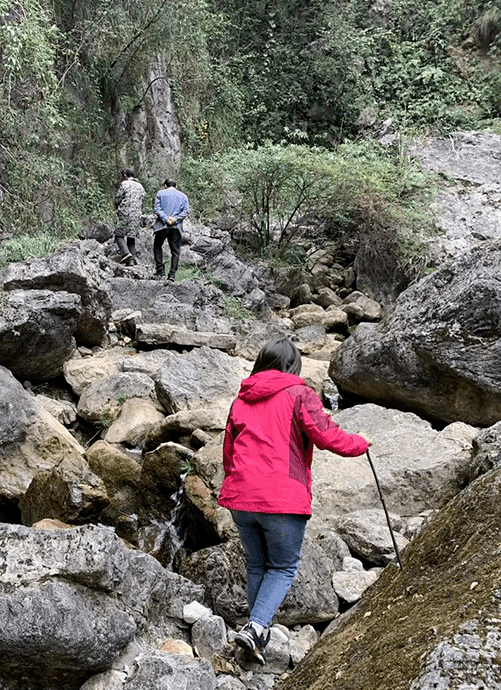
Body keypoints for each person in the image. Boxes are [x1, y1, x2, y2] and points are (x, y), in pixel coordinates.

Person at [218, 338, 370, 665]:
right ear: (293, 365)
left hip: (241, 498)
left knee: (258, 564)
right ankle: (257, 626)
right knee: (284, 567)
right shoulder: (299, 393)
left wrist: (237, 484)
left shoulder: (240, 400)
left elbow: (228, 452)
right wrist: (361, 443)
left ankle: (254, 636)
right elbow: (327, 435)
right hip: (281, 499)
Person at [153, 178, 189, 280]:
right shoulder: (183, 196)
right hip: (176, 227)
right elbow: (186, 212)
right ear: (176, 186)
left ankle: (160, 271)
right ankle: (172, 275)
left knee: (157, 247)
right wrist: (175, 219)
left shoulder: (160, 193)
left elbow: (157, 209)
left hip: (162, 226)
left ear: (165, 185)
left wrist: (165, 218)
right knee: (175, 252)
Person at [114, 168, 145, 265]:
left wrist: (116, 206)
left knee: (119, 235)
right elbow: (142, 198)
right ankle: (131, 260)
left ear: (124, 175)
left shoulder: (124, 184)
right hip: (136, 214)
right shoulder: (140, 186)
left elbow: (118, 198)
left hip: (125, 213)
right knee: (131, 236)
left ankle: (126, 253)